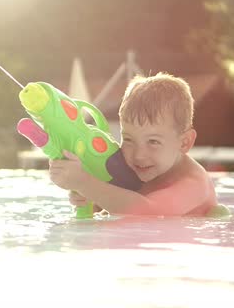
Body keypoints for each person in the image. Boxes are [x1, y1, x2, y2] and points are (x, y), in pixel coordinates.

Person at [49, 72, 219, 216]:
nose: (138, 155)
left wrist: (84, 183)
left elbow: (148, 212)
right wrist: (90, 199)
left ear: (184, 142)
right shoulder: (135, 170)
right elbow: (113, 203)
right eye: (128, 139)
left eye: (153, 141)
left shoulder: (193, 184)